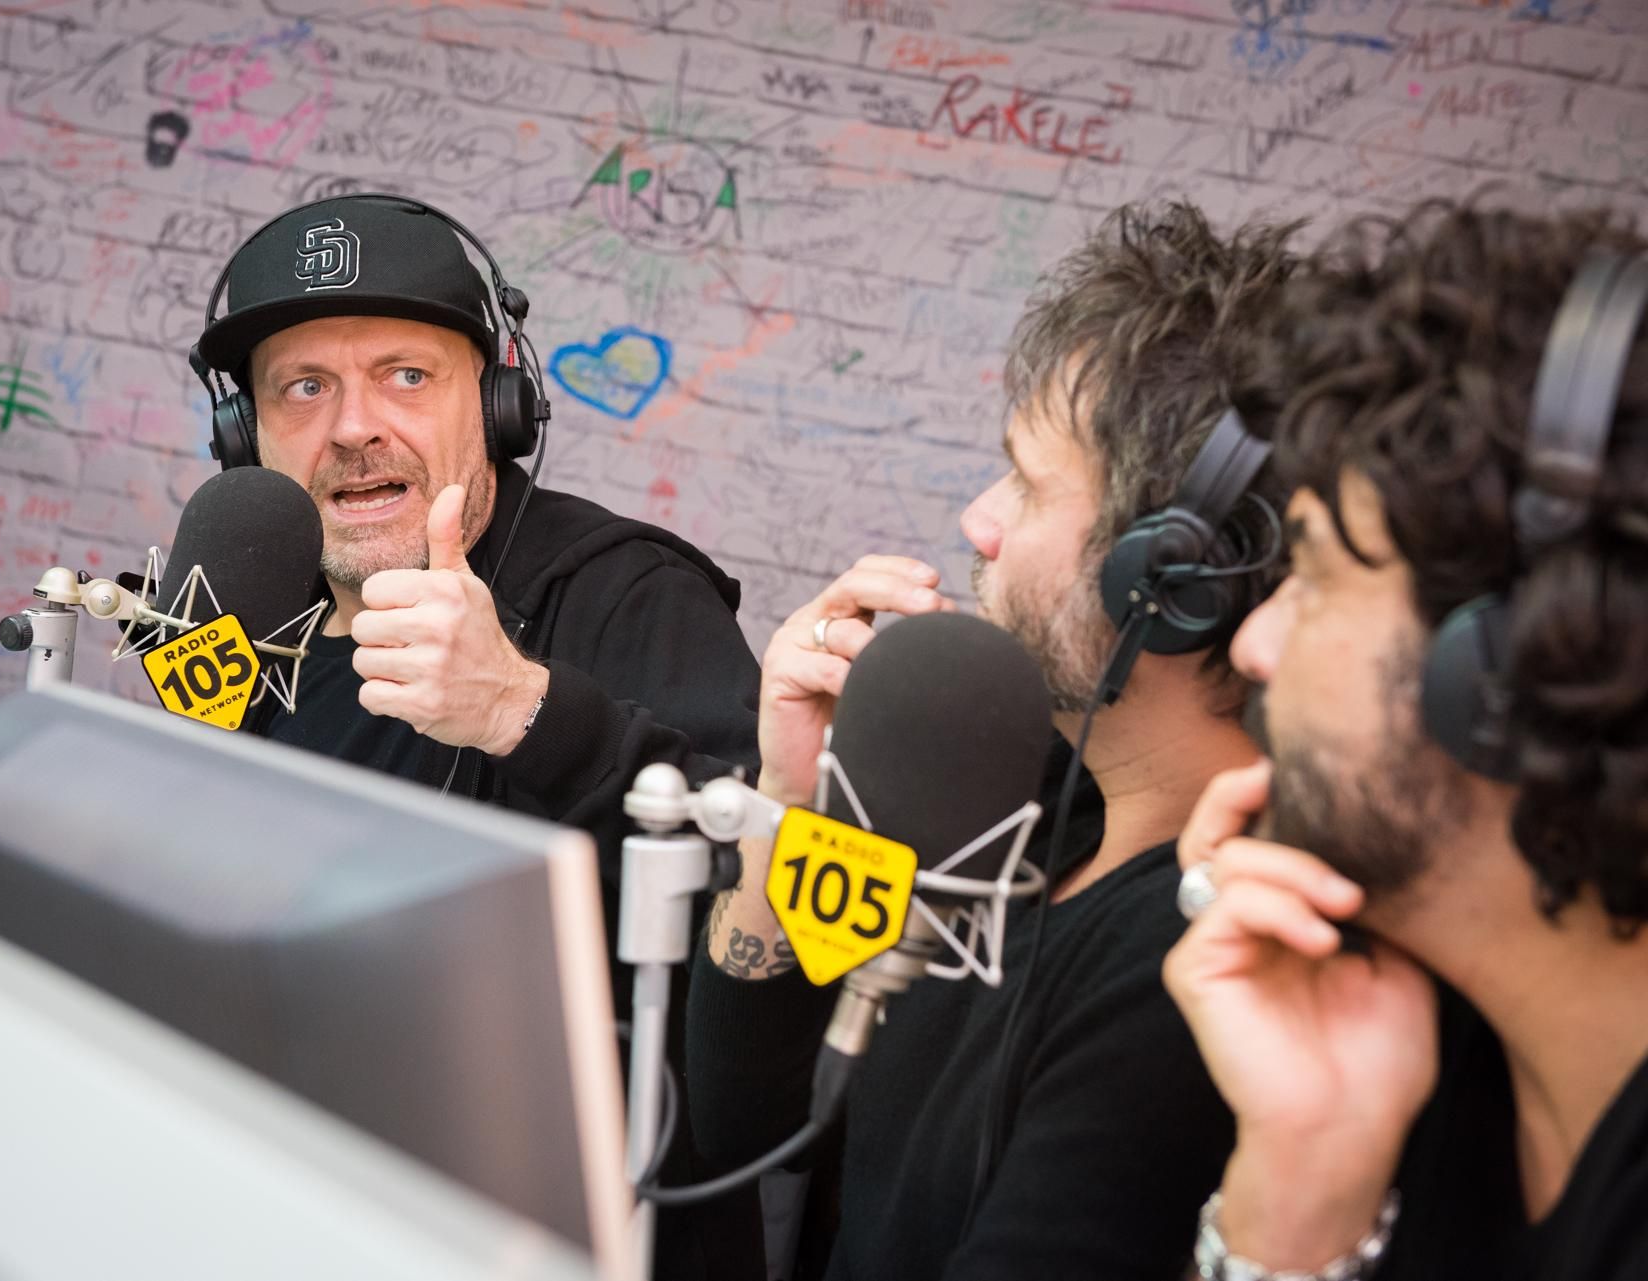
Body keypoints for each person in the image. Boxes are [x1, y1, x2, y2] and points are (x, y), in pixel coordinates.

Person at [683, 203, 1300, 1280]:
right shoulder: (1018, 792)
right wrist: (790, 799)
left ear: (1169, 579)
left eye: (1025, 481)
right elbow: (753, 1119)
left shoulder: (1191, 972)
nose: (980, 518)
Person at [187, 193, 764, 1280]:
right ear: (242, 434)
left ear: (499, 403)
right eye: (304, 388)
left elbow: (767, 918)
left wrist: (523, 712)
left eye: (406, 375)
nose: (353, 428)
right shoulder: (250, 613)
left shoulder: (629, 596)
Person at [1163, 202, 1648, 1280]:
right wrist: (1303, 1184)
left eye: (1314, 575)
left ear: (1516, 672)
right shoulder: (1432, 1052)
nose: (1251, 642)